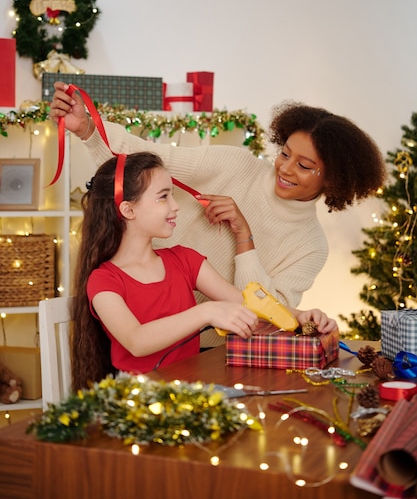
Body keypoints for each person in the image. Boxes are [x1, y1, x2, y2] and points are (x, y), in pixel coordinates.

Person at [51, 83, 383, 345]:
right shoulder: (235, 164)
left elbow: (266, 315)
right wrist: (89, 132)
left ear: (334, 180)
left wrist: (244, 237)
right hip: (137, 324)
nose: (286, 168)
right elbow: (153, 159)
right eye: (284, 153)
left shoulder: (311, 246)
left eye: (305, 166)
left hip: (210, 351)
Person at [72, 151, 259, 390]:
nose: (176, 206)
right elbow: (136, 341)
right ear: (128, 210)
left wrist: (298, 317)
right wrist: (205, 312)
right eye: (163, 197)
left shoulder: (185, 260)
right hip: (138, 398)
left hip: (191, 388)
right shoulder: (103, 280)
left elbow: (245, 303)